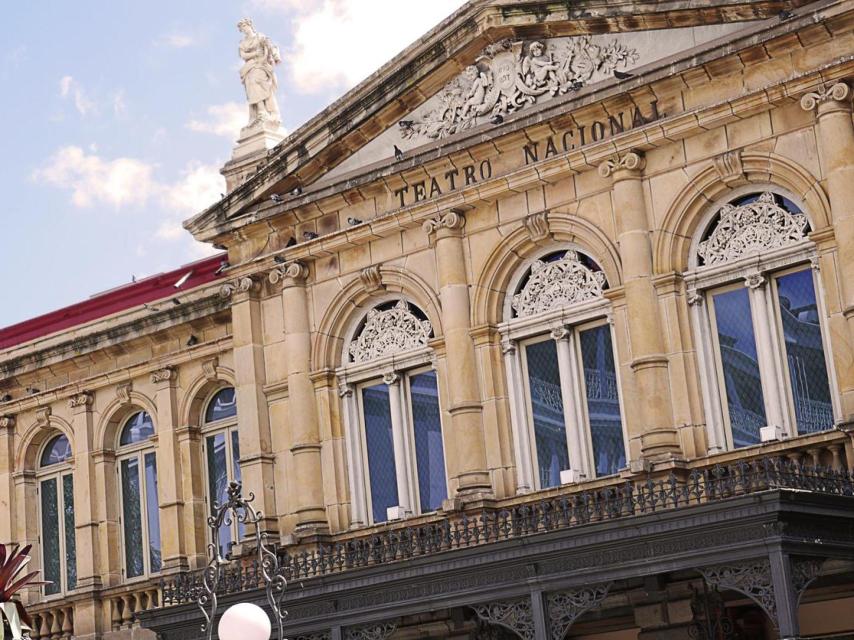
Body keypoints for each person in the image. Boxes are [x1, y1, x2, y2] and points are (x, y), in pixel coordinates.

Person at [237, 18, 282, 127]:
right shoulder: (242, 43)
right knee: (250, 84)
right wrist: (255, 54)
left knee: (258, 82)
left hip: (262, 65)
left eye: (245, 26)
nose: (244, 29)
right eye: (242, 28)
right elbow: (243, 55)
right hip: (250, 66)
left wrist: (275, 56)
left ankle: (267, 111)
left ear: (250, 25)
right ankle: (261, 111)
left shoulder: (260, 37)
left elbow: (271, 47)